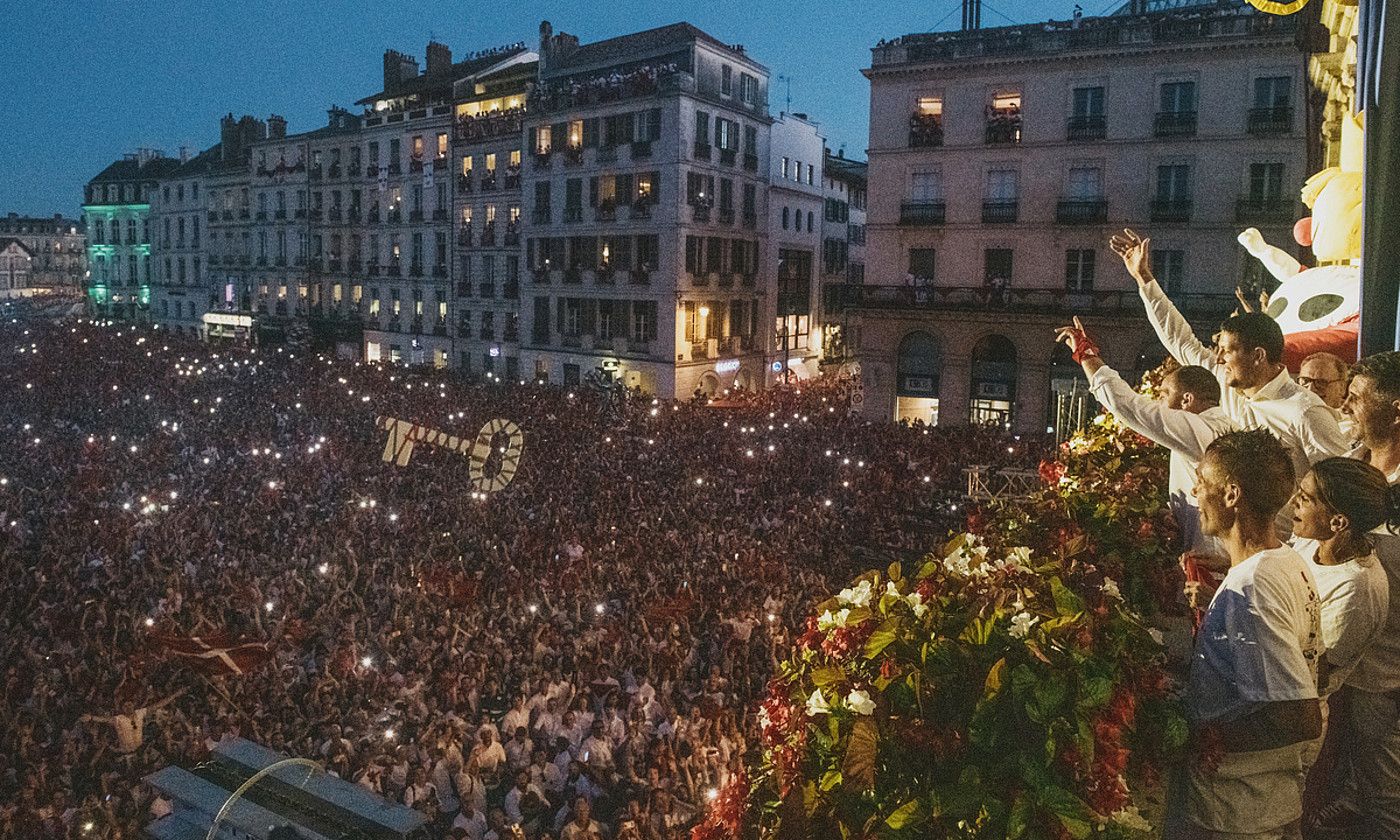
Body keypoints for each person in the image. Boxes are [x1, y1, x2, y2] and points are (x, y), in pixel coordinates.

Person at [1111, 228, 1351, 522]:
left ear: (1258, 355)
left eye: (1227, 351)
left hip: (1282, 549)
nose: (1219, 358)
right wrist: (1144, 280)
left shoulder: (1306, 411)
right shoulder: (1228, 383)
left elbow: (1339, 489)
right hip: (1232, 543)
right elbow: (1180, 339)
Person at [1165, 429, 1323, 840]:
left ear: (1232, 495)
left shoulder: (1251, 587)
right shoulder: (1283, 560)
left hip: (1236, 810)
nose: (1195, 491)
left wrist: (1193, 737)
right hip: (1266, 799)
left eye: (1202, 481)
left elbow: (1298, 716)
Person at [1055, 316, 1233, 582]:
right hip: (1217, 556)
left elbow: (1130, 407)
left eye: (1164, 394)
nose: (1158, 401)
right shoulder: (1222, 426)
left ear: (1187, 399)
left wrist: (1086, 354)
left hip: (1211, 563)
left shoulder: (1199, 429)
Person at [1317, 351, 1400, 837]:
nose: (1344, 405)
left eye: (1357, 398)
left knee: (1386, 793)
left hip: (1386, 676)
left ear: (1395, 410)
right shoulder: (1350, 464)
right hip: (1338, 658)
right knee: (1348, 772)